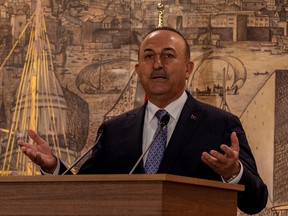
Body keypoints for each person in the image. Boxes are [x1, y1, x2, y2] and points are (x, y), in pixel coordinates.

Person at [18, 26, 268, 214]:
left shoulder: (220, 124)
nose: (157, 64)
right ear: (138, 70)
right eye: (148, 57)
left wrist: (234, 173)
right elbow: (85, 193)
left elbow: (256, 202)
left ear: (188, 68)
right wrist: (54, 168)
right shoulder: (114, 129)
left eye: (168, 56)